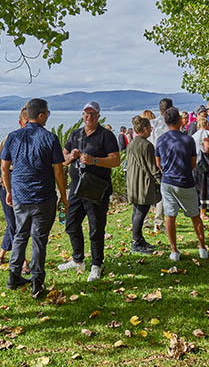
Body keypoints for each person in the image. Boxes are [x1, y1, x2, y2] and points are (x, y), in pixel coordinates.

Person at [0, 98, 68, 298]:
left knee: (20, 234)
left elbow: (4, 167)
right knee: (39, 239)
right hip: (43, 196)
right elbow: (58, 171)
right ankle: (37, 283)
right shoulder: (50, 138)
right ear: (40, 115)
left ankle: (14, 276)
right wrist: (63, 195)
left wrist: (9, 190)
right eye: (47, 112)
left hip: (21, 195)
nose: (48, 116)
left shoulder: (13, 137)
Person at [59, 102, 120, 282]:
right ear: (82, 115)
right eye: (86, 114)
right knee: (71, 224)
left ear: (98, 116)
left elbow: (115, 160)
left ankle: (96, 264)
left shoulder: (106, 136)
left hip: (96, 188)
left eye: (92, 114)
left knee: (96, 227)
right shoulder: (75, 134)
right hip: (77, 188)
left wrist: (94, 160)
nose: (89, 117)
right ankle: (78, 260)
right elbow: (63, 157)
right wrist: (71, 157)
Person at [154, 107, 208, 260]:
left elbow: (158, 163)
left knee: (170, 216)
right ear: (179, 121)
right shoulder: (188, 140)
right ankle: (202, 248)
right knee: (195, 215)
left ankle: (174, 250)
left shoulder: (161, 140)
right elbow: (193, 162)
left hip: (167, 181)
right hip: (185, 180)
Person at [0, 107, 30, 273]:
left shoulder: (37, 139)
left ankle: (1, 254)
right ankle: (22, 261)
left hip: (26, 186)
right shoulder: (10, 138)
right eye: (27, 122)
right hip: (9, 183)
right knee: (14, 222)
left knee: (17, 222)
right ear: (21, 122)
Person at [125, 116, 161, 254]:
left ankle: (139, 239)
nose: (151, 130)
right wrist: (160, 181)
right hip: (143, 182)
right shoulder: (147, 145)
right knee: (141, 212)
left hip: (133, 181)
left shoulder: (132, 143)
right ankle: (136, 241)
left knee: (136, 211)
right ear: (145, 129)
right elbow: (152, 168)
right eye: (150, 127)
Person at [148, 98, 174, 232]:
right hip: (166, 161)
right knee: (163, 192)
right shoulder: (170, 125)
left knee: (150, 190)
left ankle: (148, 219)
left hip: (151, 159)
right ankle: (159, 221)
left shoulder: (152, 124)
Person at [191, 109, 209, 219]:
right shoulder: (205, 133)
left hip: (195, 162)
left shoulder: (194, 135)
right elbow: (207, 147)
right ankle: (203, 212)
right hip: (203, 161)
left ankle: (196, 209)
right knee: (205, 186)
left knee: (197, 186)